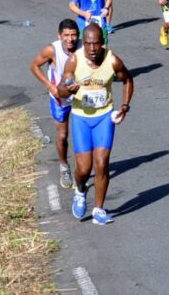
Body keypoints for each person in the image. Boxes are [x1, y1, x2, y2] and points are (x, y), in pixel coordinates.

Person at [57, 24, 134, 225]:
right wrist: (69, 90)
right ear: (84, 42)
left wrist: (124, 107)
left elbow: (128, 80)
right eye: (88, 43)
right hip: (81, 118)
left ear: (103, 43)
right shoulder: (75, 60)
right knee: (84, 170)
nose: (92, 48)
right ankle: (80, 190)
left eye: (96, 44)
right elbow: (61, 91)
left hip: (104, 118)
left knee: (101, 164)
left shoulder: (113, 60)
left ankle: (99, 209)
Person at [29, 19, 81, 189]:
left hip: (81, 96)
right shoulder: (52, 50)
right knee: (62, 135)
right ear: (59, 36)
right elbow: (35, 66)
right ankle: (64, 166)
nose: (70, 39)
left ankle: (82, 170)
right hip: (60, 97)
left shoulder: (84, 47)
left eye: (73, 35)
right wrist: (50, 86)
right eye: (66, 35)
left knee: (82, 135)